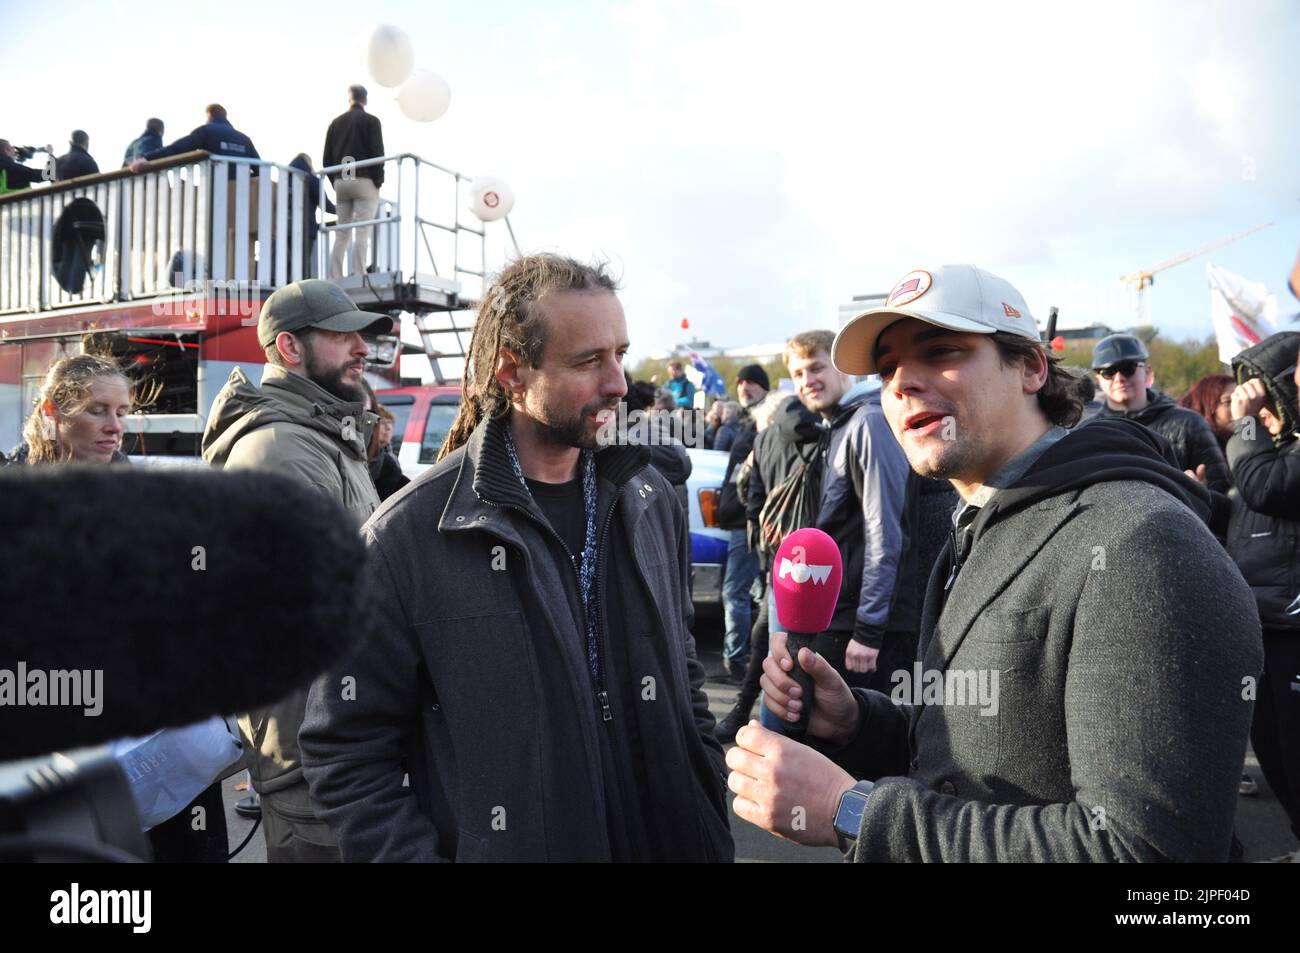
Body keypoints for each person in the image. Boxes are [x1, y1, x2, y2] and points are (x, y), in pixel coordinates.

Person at [728, 264, 1262, 861]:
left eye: (941, 351)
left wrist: (853, 812)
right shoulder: (982, 520)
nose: (903, 383)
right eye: (887, 369)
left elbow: (1146, 855)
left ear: (1032, 367)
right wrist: (861, 724)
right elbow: (994, 743)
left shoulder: (1142, 541)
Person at [299, 254, 734, 862]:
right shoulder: (409, 539)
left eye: (620, 354)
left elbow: (681, 663)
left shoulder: (648, 498)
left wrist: (703, 783)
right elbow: (345, 751)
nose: (618, 384)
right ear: (512, 372)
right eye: (588, 362)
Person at [200, 278, 393, 862]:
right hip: (315, 750)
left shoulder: (324, 437)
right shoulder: (281, 450)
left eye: (363, 335)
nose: (363, 348)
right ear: (289, 348)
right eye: (343, 336)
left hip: (340, 735)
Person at [785, 330, 946, 698]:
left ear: (844, 370)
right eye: (798, 374)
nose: (807, 381)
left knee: (858, 748)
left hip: (864, 629)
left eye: (816, 368)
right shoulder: (841, 424)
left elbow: (885, 531)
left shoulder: (869, 422)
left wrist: (869, 630)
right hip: (840, 616)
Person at [1223, 332, 1300, 839]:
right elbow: (1248, 514)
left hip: (1294, 625)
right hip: (1261, 620)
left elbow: (1266, 490)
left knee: (1296, 751)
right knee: (1271, 744)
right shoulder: (1279, 448)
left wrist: (1245, 421)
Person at [1092, 333, 1230, 492]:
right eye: (1108, 372)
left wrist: (1199, 496)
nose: (1119, 378)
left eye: (1127, 369)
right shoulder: (1088, 432)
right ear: (1098, 379)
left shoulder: (1189, 423)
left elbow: (1223, 496)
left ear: (1147, 372)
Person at [712, 365, 770, 710]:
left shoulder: (764, 425)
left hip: (749, 524)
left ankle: (738, 660)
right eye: (740, 382)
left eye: (750, 382)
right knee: (753, 592)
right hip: (741, 521)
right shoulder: (748, 423)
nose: (743, 386)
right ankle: (743, 658)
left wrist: (749, 515)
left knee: (735, 591)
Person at [7, 353, 130, 465]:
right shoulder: (11, 483)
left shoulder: (129, 481)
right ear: (50, 410)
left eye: (121, 413)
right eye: (96, 411)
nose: (115, 427)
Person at [323, 85, 385, 279]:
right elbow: (377, 153)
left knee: (342, 232)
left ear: (349, 99)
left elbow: (326, 158)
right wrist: (378, 181)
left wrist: (335, 181)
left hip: (342, 180)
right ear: (364, 100)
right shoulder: (371, 121)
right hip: (364, 179)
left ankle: (335, 274)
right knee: (362, 229)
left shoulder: (335, 123)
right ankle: (359, 272)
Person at [1180, 372, 1237, 453]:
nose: (1238, 407)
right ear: (1205, 407)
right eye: (1228, 402)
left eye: (1240, 400)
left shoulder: (1248, 432)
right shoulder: (1199, 452)